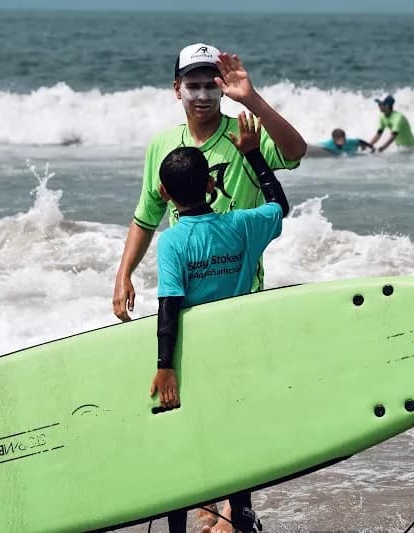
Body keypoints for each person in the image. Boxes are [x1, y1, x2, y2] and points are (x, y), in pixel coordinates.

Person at [150, 112, 289, 533]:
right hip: (238, 349)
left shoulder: (173, 241)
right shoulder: (243, 226)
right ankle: (241, 516)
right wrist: (252, 155)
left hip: (192, 357)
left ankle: (182, 527)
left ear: (165, 194)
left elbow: (169, 306)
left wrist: (164, 366)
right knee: (233, 440)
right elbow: (279, 205)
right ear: (212, 184)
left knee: (184, 443)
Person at [112, 42, 306, 323]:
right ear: (177, 89)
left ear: (222, 87)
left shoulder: (245, 133)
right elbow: (146, 217)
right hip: (188, 294)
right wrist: (123, 274)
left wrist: (250, 99)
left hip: (242, 290)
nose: (202, 96)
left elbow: (296, 150)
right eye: (193, 86)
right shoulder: (161, 145)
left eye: (211, 86)